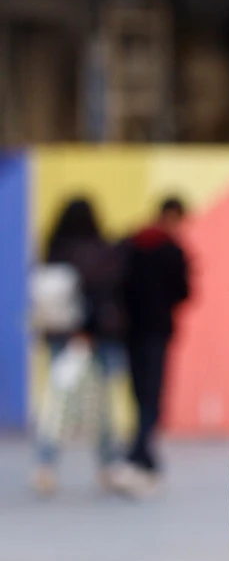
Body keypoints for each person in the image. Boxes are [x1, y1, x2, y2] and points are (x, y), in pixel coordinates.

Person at [30, 198, 130, 497]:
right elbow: (102, 295)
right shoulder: (97, 251)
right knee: (99, 405)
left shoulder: (54, 250)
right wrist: (90, 331)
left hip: (59, 336)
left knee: (56, 404)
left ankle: (45, 465)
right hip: (92, 338)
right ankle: (108, 465)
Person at [118, 196, 191, 482]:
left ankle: (143, 452)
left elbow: (119, 285)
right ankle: (138, 452)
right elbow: (184, 292)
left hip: (131, 329)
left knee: (138, 392)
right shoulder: (172, 250)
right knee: (153, 394)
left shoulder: (132, 243)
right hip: (158, 330)